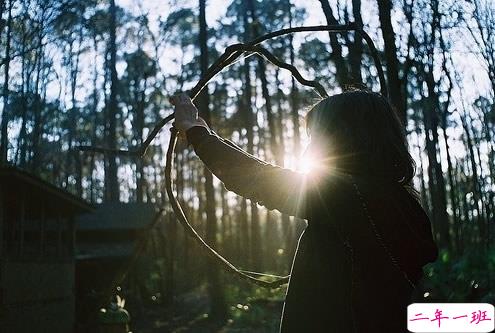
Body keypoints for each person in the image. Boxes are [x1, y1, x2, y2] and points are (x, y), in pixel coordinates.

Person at [169, 90, 438, 333]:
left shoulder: (348, 196)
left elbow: (258, 179)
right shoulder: (398, 202)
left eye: (318, 137)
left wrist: (196, 132)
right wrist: (203, 133)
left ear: (347, 137)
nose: (310, 149)